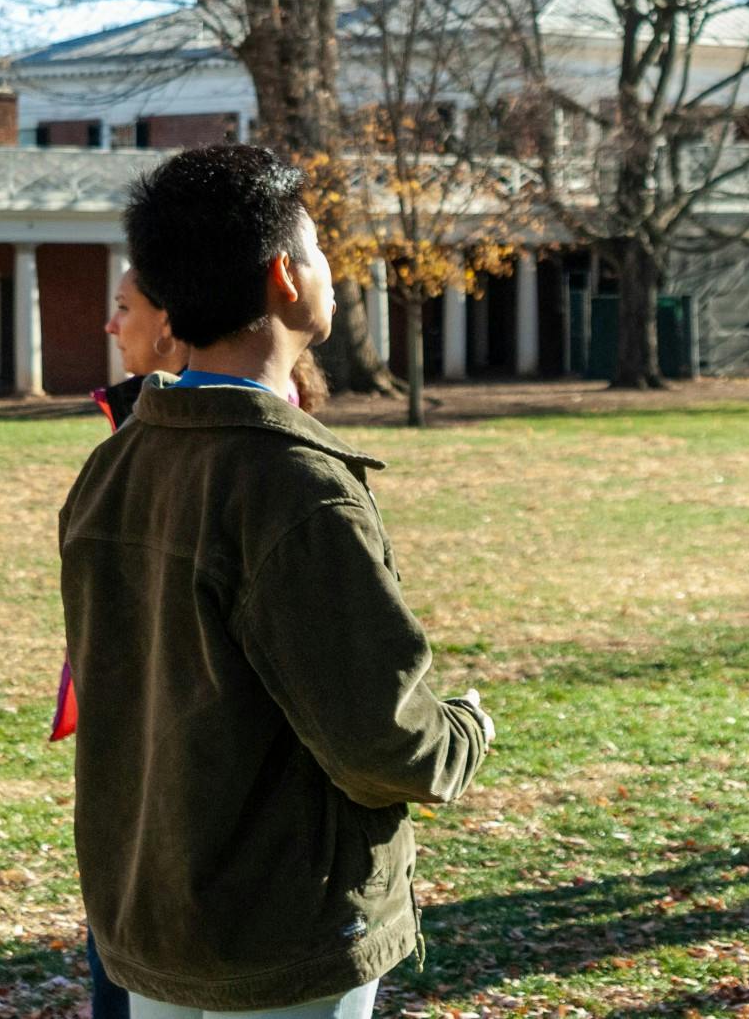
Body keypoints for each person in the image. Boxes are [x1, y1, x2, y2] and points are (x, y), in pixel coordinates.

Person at [58, 145, 495, 1018]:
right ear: (284, 278)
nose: (334, 269)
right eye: (322, 249)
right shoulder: (293, 487)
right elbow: (382, 743)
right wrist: (466, 733)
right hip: (283, 934)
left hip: (156, 919)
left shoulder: (114, 467)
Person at [57, 266, 192, 1019]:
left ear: (170, 323)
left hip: (169, 752)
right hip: (127, 749)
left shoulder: (218, 435)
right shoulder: (134, 420)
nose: (110, 327)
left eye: (123, 308)